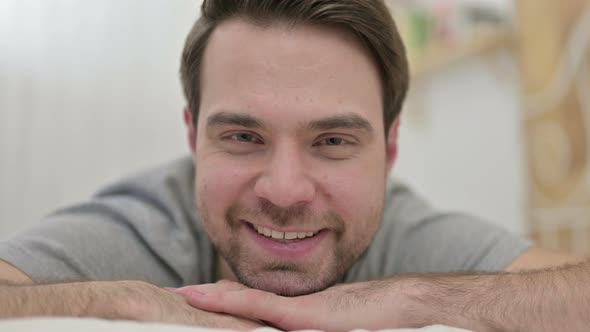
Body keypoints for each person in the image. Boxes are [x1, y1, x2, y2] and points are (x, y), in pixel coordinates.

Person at [0, 0, 586, 330]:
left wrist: (418, 300)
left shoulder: (401, 232)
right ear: (192, 138)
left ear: (388, 151)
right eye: (243, 136)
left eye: (332, 141)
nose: (285, 190)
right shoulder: (147, 225)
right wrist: (121, 303)